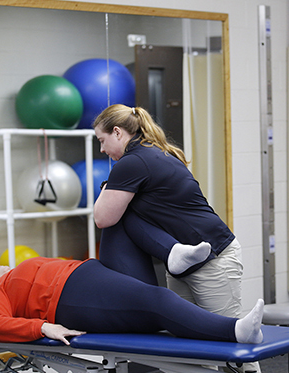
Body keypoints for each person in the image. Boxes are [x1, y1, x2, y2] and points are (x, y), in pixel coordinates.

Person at [93, 104, 243, 319]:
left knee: (227, 332)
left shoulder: (133, 162)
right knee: (187, 332)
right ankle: (173, 252)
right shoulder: (152, 153)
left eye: (102, 140)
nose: (102, 149)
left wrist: (107, 185)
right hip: (184, 261)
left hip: (213, 257)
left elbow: (102, 218)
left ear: (117, 132)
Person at [0, 257, 264, 345]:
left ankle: (172, 251)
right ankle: (235, 331)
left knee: (121, 221)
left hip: (85, 275)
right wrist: (42, 328)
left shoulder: (9, 279)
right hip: (70, 296)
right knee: (157, 300)